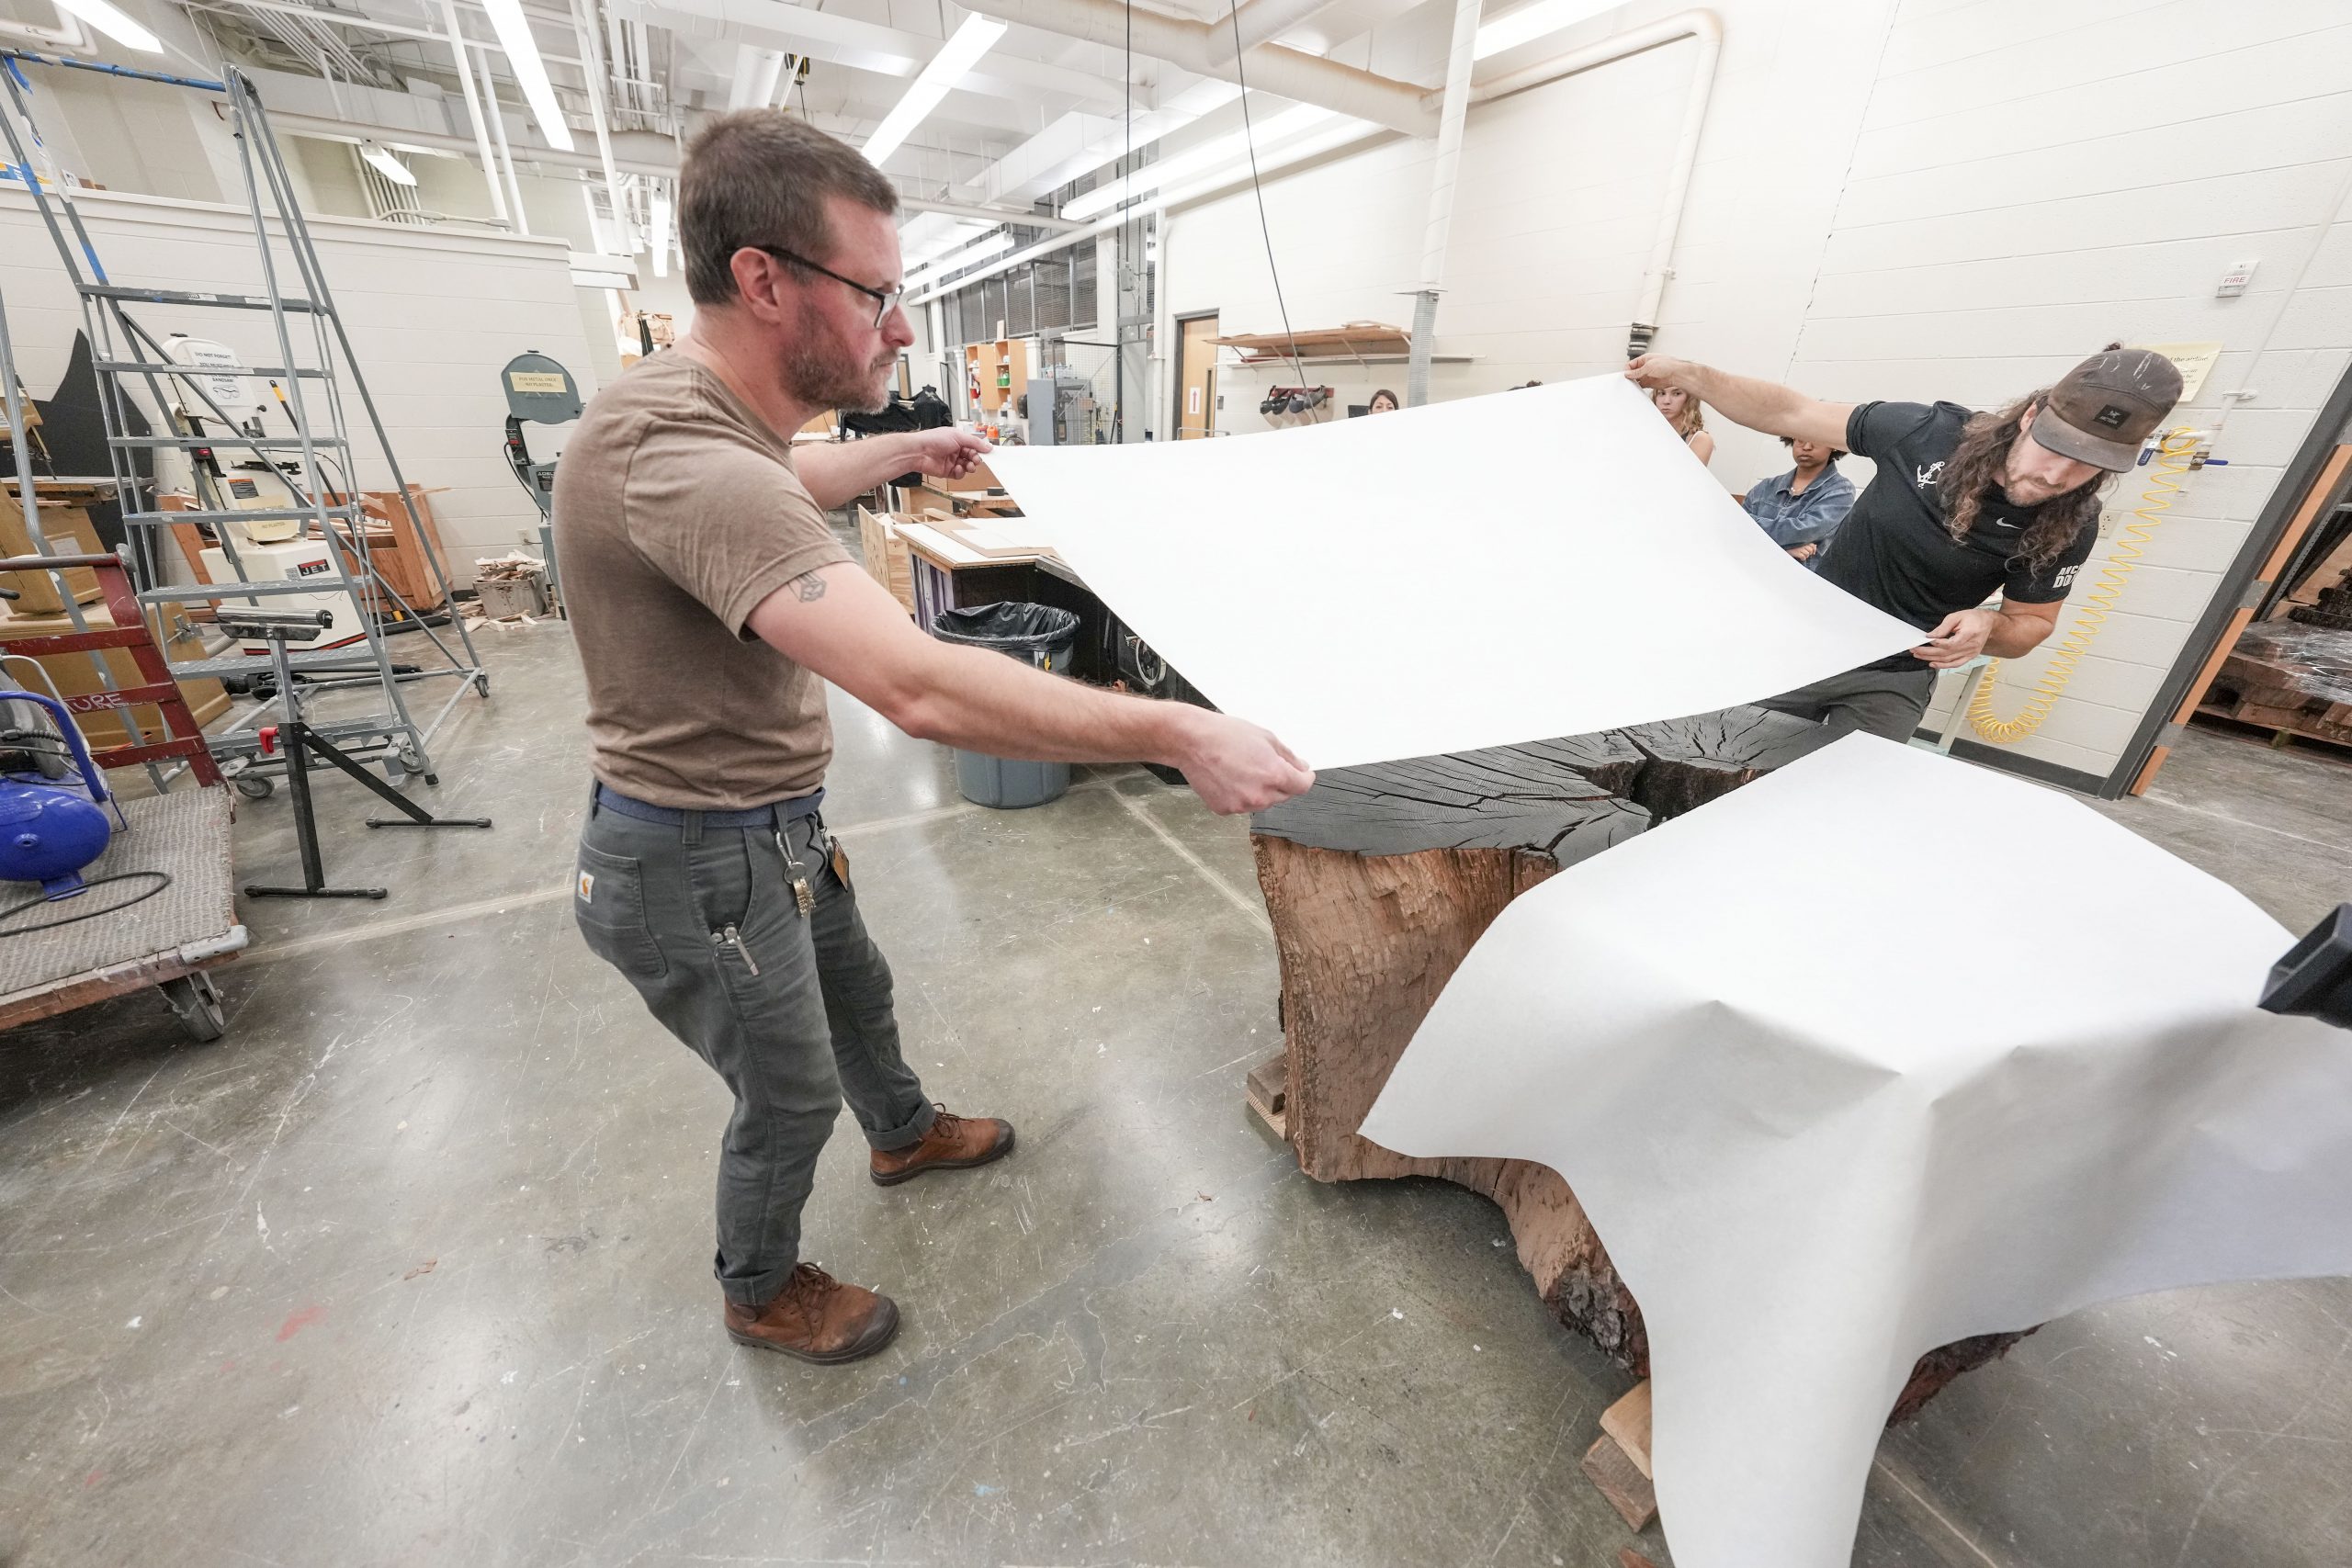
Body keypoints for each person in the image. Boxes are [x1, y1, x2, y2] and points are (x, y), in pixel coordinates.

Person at [555, 111, 1316, 1367]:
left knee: (858, 996)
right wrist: (1181, 728)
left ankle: (901, 1128)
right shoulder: (688, 461)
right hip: (694, 857)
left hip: (768, 826)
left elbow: (784, 477)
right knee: (788, 1092)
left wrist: (910, 448)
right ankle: (759, 1283)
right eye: (877, 294)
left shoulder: (690, 411)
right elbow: (919, 685)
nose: (902, 328)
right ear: (764, 279)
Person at [1627, 345, 2181, 741]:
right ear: (2030, 415)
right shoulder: (1927, 434)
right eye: (2053, 448)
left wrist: (1989, 626)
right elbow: (1791, 411)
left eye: (2089, 465)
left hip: (1894, 677)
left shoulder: (2070, 522)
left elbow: (2030, 626)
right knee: (1717, 761)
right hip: (1800, 646)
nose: (2059, 475)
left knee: (1840, 811)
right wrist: (1691, 375)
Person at [1743, 434, 1856, 567]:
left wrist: (1751, 526)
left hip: (1797, 579)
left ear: (1834, 446)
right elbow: (1737, 529)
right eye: (1800, 438)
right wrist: (1785, 550)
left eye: (1817, 439)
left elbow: (1801, 532)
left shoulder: (1840, 491)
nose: (1807, 447)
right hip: (1750, 567)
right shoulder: (1766, 487)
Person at [1652, 383, 1714, 465]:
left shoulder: (1700, 439)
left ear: (1689, 399)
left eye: (1677, 394)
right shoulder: (1648, 430)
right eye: (1662, 393)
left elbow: (1689, 476)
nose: (1666, 401)